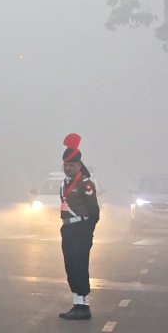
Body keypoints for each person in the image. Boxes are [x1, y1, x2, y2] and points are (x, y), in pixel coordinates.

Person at [57, 133, 101, 321]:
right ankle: (77, 303)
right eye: (66, 165)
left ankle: (84, 306)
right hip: (68, 229)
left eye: (71, 165)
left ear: (78, 165)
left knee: (80, 266)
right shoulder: (64, 183)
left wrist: (86, 231)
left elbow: (94, 212)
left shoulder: (86, 184)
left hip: (81, 229)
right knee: (71, 267)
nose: (68, 168)